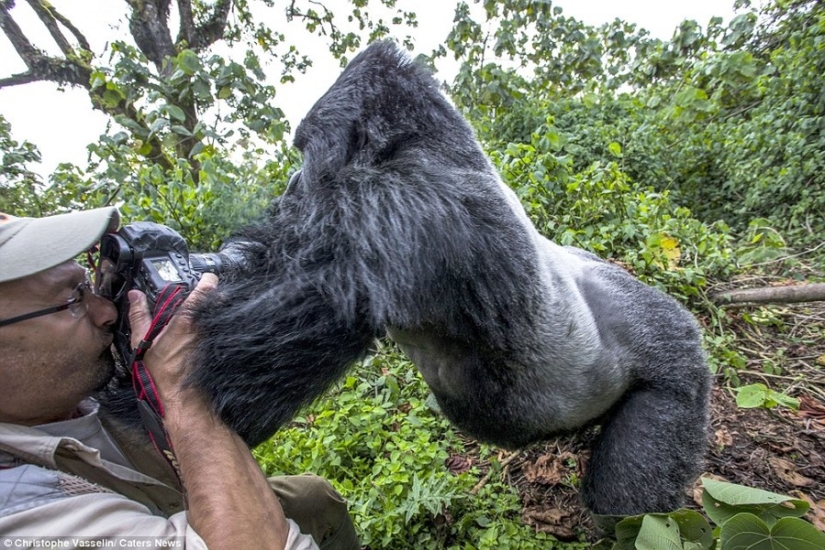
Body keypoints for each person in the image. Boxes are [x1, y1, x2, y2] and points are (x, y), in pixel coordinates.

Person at [0, 207, 360, 549]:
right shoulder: (18, 511)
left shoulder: (62, 391)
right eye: (73, 299)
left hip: (161, 499)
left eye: (89, 284)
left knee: (315, 500)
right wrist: (181, 389)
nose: (107, 311)